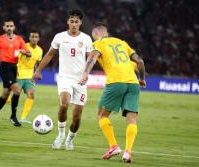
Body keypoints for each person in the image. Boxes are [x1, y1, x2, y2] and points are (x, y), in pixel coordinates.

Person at [79, 22, 146, 163]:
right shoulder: (122, 43)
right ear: (107, 32)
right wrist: (142, 79)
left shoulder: (98, 44)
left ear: (96, 34)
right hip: (133, 83)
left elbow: (92, 57)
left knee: (101, 115)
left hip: (116, 82)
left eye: (93, 36)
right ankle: (128, 152)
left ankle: (113, 145)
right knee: (132, 117)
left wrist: (85, 73)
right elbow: (140, 62)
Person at [34, 9, 93, 150]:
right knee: (64, 104)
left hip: (80, 81)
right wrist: (38, 70)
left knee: (77, 116)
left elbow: (91, 58)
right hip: (65, 78)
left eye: (76, 22)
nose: (74, 24)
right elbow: (49, 55)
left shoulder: (86, 39)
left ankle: (70, 140)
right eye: (71, 21)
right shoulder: (59, 37)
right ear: (68, 22)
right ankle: (60, 135)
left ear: (80, 23)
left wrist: (86, 73)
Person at [0, 19, 31, 126]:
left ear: (14, 27)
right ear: (4, 28)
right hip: (4, 67)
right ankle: (13, 117)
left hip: (13, 68)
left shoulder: (19, 40)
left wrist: (23, 52)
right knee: (16, 90)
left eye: (11, 26)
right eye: (7, 26)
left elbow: (29, 54)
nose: (9, 28)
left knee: (5, 95)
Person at [5, 32, 43, 124]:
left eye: (36, 37)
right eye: (32, 37)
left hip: (29, 76)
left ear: (38, 39)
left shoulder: (40, 50)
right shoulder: (23, 46)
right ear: (29, 38)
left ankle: (23, 117)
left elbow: (37, 62)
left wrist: (37, 72)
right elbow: (14, 54)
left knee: (31, 95)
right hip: (19, 74)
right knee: (13, 96)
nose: (34, 38)